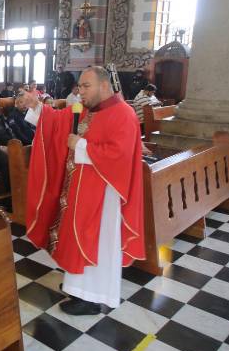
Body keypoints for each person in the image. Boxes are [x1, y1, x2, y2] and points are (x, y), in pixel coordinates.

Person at [25, 66, 145, 315]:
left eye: (86, 86)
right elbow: (56, 122)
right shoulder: (86, 110)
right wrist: (35, 105)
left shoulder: (123, 114)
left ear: (104, 86)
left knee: (95, 242)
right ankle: (77, 287)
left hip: (103, 196)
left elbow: (119, 155)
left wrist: (81, 146)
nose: (80, 92)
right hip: (79, 191)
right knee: (75, 237)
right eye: (79, 86)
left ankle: (92, 297)